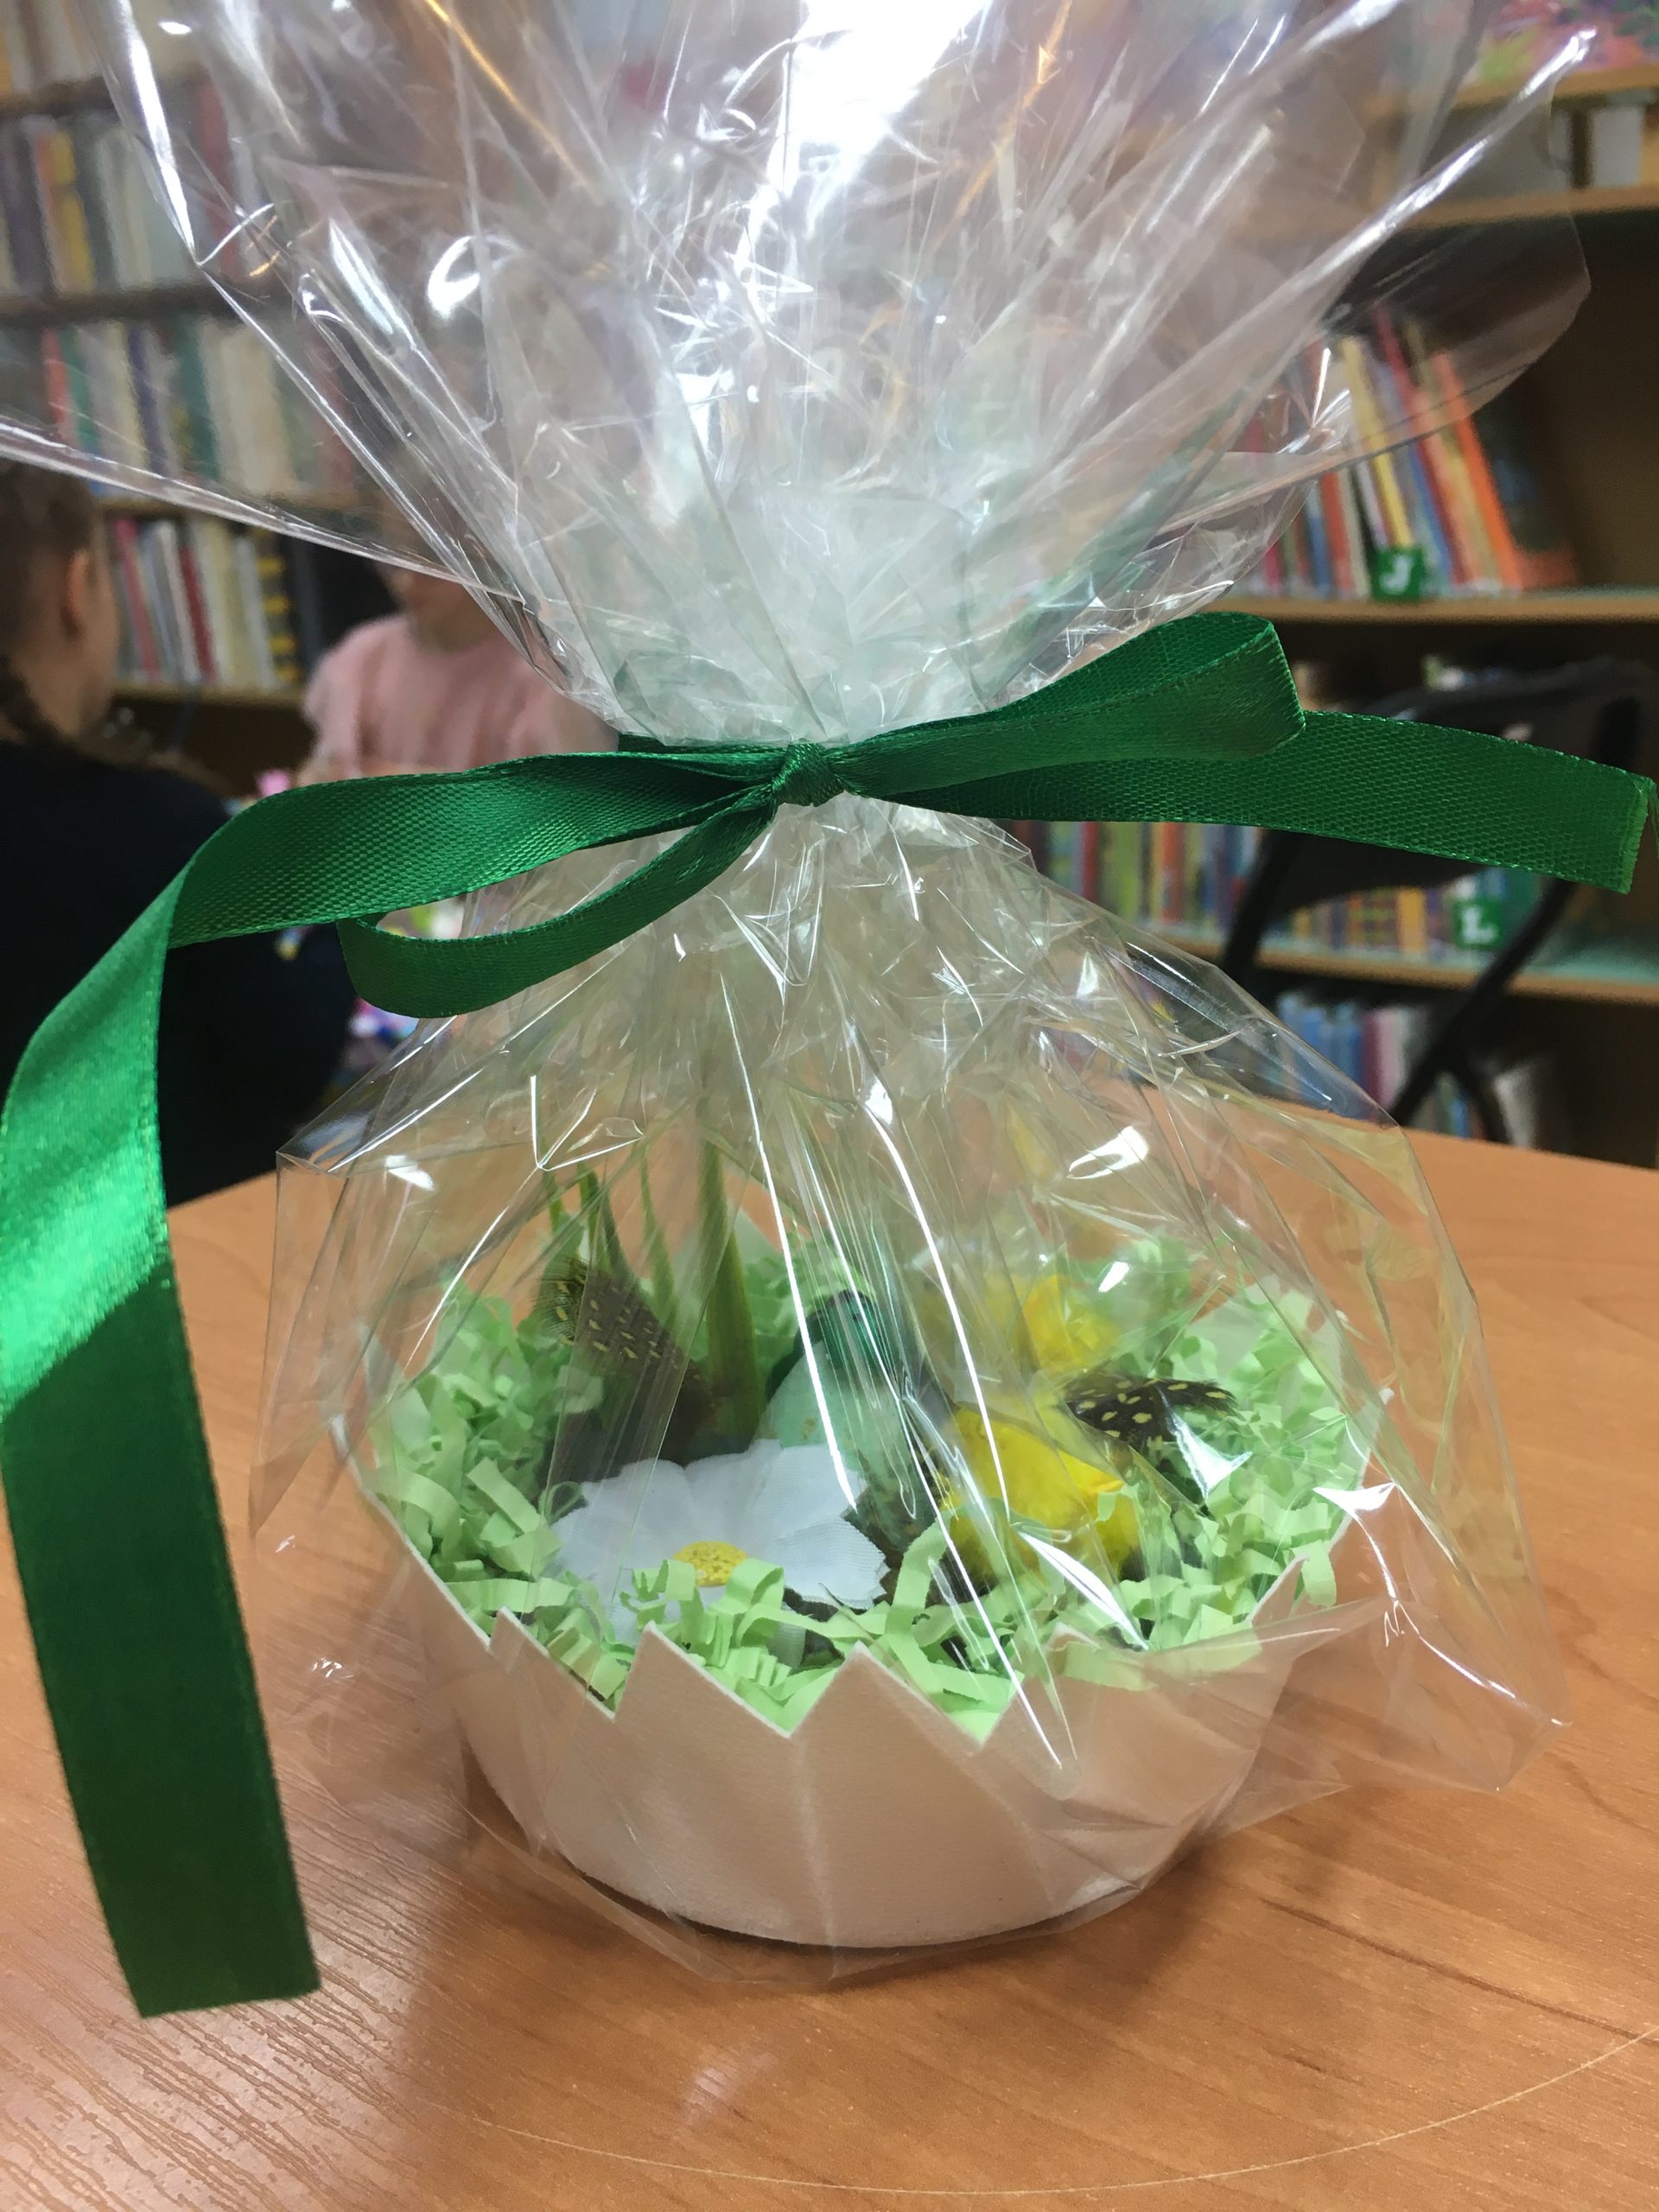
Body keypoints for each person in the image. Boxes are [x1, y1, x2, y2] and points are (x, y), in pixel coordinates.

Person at [0, 463, 355, 1205]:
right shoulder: (154, 824)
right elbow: (287, 1060)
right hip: (171, 1240)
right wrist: (348, 904)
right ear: (76, 590)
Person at [302, 564, 612, 779]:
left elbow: (549, 809)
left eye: (432, 563)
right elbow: (328, 770)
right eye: (396, 561)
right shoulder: (363, 655)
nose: (406, 581)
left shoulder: (542, 676)